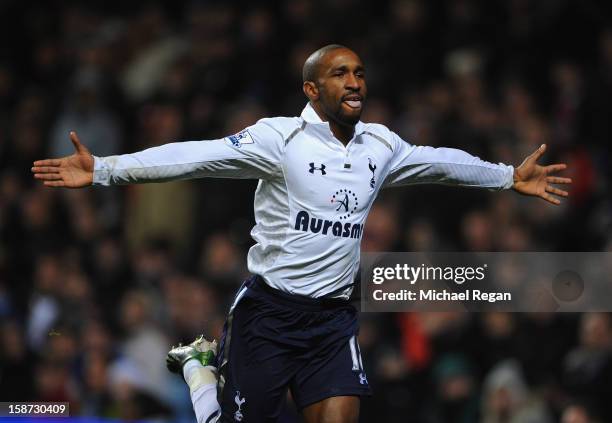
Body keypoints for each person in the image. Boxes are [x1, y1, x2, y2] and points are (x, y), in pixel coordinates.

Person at [32, 44, 571, 423]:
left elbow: (440, 162)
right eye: (339, 73)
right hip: (268, 315)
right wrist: (104, 168)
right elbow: (195, 157)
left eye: (358, 71)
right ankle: (199, 371)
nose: (354, 81)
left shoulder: (380, 146)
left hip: (332, 321)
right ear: (312, 88)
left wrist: (506, 177)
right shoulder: (279, 138)